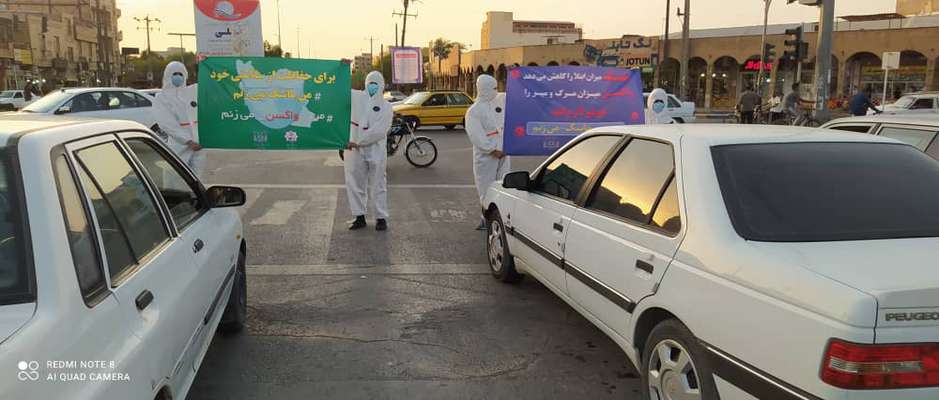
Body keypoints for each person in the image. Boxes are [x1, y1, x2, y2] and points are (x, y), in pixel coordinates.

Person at [344, 71, 393, 231]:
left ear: (382, 85)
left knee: (378, 183)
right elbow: (338, 87)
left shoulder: (386, 107)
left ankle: (380, 218)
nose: (372, 85)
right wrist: (342, 69)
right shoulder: (356, 98)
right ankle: (359, 217)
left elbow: (379, 131)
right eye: (370, 82)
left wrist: (359, 142)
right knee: (354, 182)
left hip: (375, 150)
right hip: (354, 150)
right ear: (365, 84)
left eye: (376, 83)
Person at [465, 74, 510, 231]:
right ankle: (485, 218)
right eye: (493, 88)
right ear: (483, 89)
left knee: (503, 185)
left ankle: (500, 217)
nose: (496, 91)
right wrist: (491, 149)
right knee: (486, 187)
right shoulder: (474, 111)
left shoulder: (499, 100)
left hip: (504, 152)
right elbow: (476, 135)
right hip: (486, 156)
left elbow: (514, 94)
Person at [152, 61, 204, 177]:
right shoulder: (161, 98)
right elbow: (167, 124)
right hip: (178, 145)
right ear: (167, 75)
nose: (178, 77)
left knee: (198, 180)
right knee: (177, 178)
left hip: (198, 145)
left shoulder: (193, 91)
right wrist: (188, 141)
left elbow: (210, 83)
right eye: (174, 74)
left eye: (181, 74)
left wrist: (205, 62)